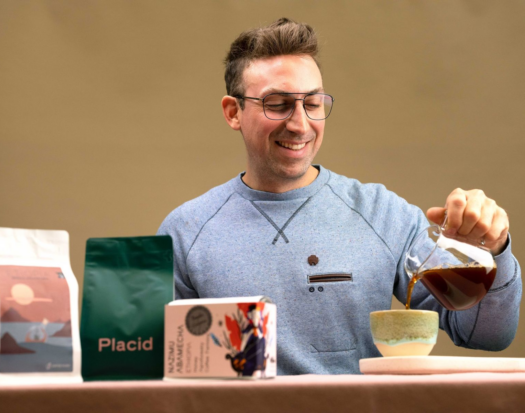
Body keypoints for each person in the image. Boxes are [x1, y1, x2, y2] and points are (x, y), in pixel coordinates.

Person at [157, 18, 521, 375]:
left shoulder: (382, 214)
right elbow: (160, 365)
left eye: (312, 103)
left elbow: (487, 335)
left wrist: (493, 250)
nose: (300, 124)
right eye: (278, 103)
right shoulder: (187, 231)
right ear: (234, 112)